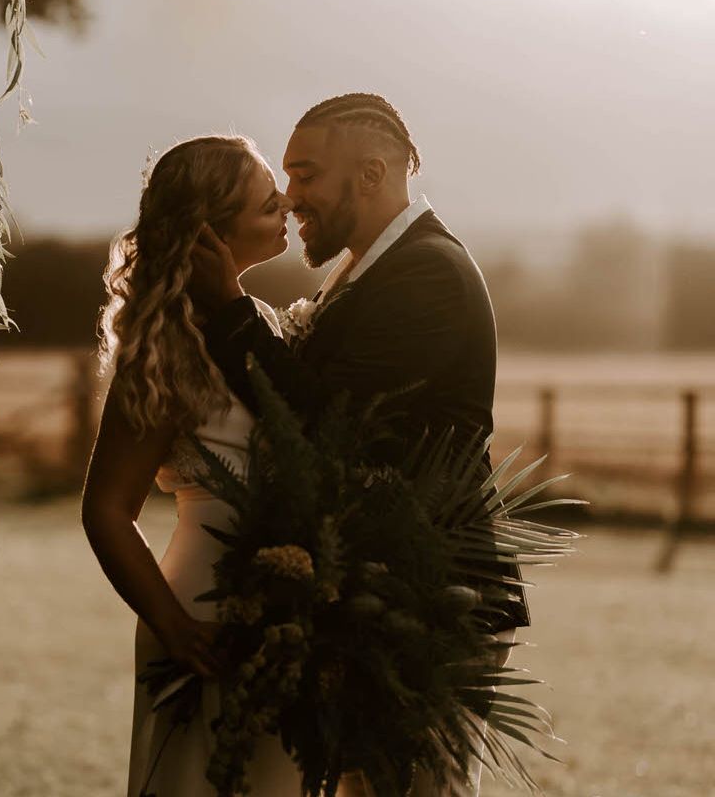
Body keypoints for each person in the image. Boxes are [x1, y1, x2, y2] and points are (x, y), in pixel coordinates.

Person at [190, 92, 530, 797]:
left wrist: (229, 313)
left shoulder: (428, 273)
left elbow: (323, 420)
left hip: (438, 598)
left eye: (306, 174)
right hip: (381, 599)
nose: (291, 198)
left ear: (371, 175)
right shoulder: (368, 267)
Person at [81, 135, 304, 797]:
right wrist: (174, 626)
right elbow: (106, 509)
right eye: (269, 203)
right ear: (213, 234)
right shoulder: (166, 349)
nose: (288, 202)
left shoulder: (257, 321)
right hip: (202, 613)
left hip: (284, 606)